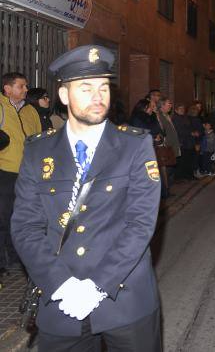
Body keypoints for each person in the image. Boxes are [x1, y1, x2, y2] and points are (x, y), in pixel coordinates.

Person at [11, 45, 161, 350]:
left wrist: (97, 287)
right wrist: (62, 285)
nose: (98, 96)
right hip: (61, 303)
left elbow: (140, 223)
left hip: (125, 298)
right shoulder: (38, 151)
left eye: (104, 87)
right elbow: (26, 227)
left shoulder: (134, 145)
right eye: (86, 88)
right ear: (64, 95)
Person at [0, 72, 42, 279]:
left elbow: (39, 139)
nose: (26, 90)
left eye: (26, 86)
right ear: (8, 89)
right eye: (21, 86)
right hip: (5, 172)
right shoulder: (1, 107)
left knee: (24, 217)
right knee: (3, 217)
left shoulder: (30, 111)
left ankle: (18, 257)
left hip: (28, 174)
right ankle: (2, 261)